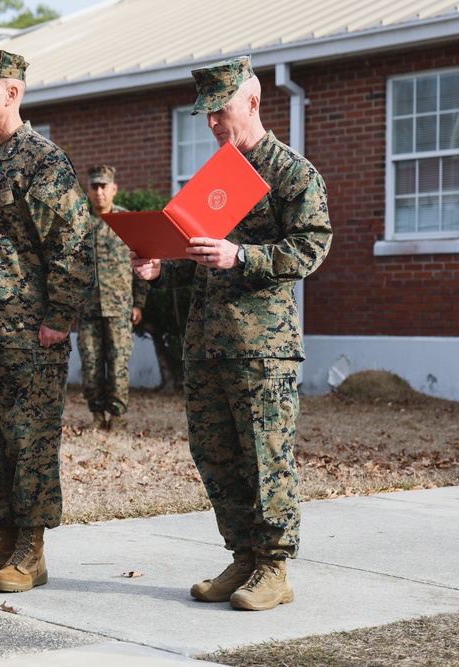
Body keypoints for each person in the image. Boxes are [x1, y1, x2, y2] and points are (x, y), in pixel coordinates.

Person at [131, 55, 332, 611]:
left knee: (265, 456)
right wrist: (159, 265)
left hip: (261, 348)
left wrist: (242, 255)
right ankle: (243, 555)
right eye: (207, 116)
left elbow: (312, 247)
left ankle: (274, 567)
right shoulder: (217, 176)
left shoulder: (291, 172)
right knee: (216, 455)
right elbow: (195, 251)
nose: (214, 124)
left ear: (253, 102)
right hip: (207, 343)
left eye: (220, 111)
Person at [0, 48, 95, 593]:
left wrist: (59, 317)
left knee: (28, 440)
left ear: (13, 92)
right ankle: (2, 539)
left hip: (26, 333)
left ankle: (32, 550)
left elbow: (73, 243)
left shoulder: (42, 160)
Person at [76, 165, 148, 432]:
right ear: (88, 189)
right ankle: (97, 414)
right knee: (91, 364)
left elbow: (142, 263)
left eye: (104, 186)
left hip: (119, 308)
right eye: (94, 187)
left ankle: (116, 416)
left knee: (118, 365)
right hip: (88, 308)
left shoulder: (127, 222)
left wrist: (139, 303)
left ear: (114, 189)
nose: (99, 192)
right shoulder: (79, 221)